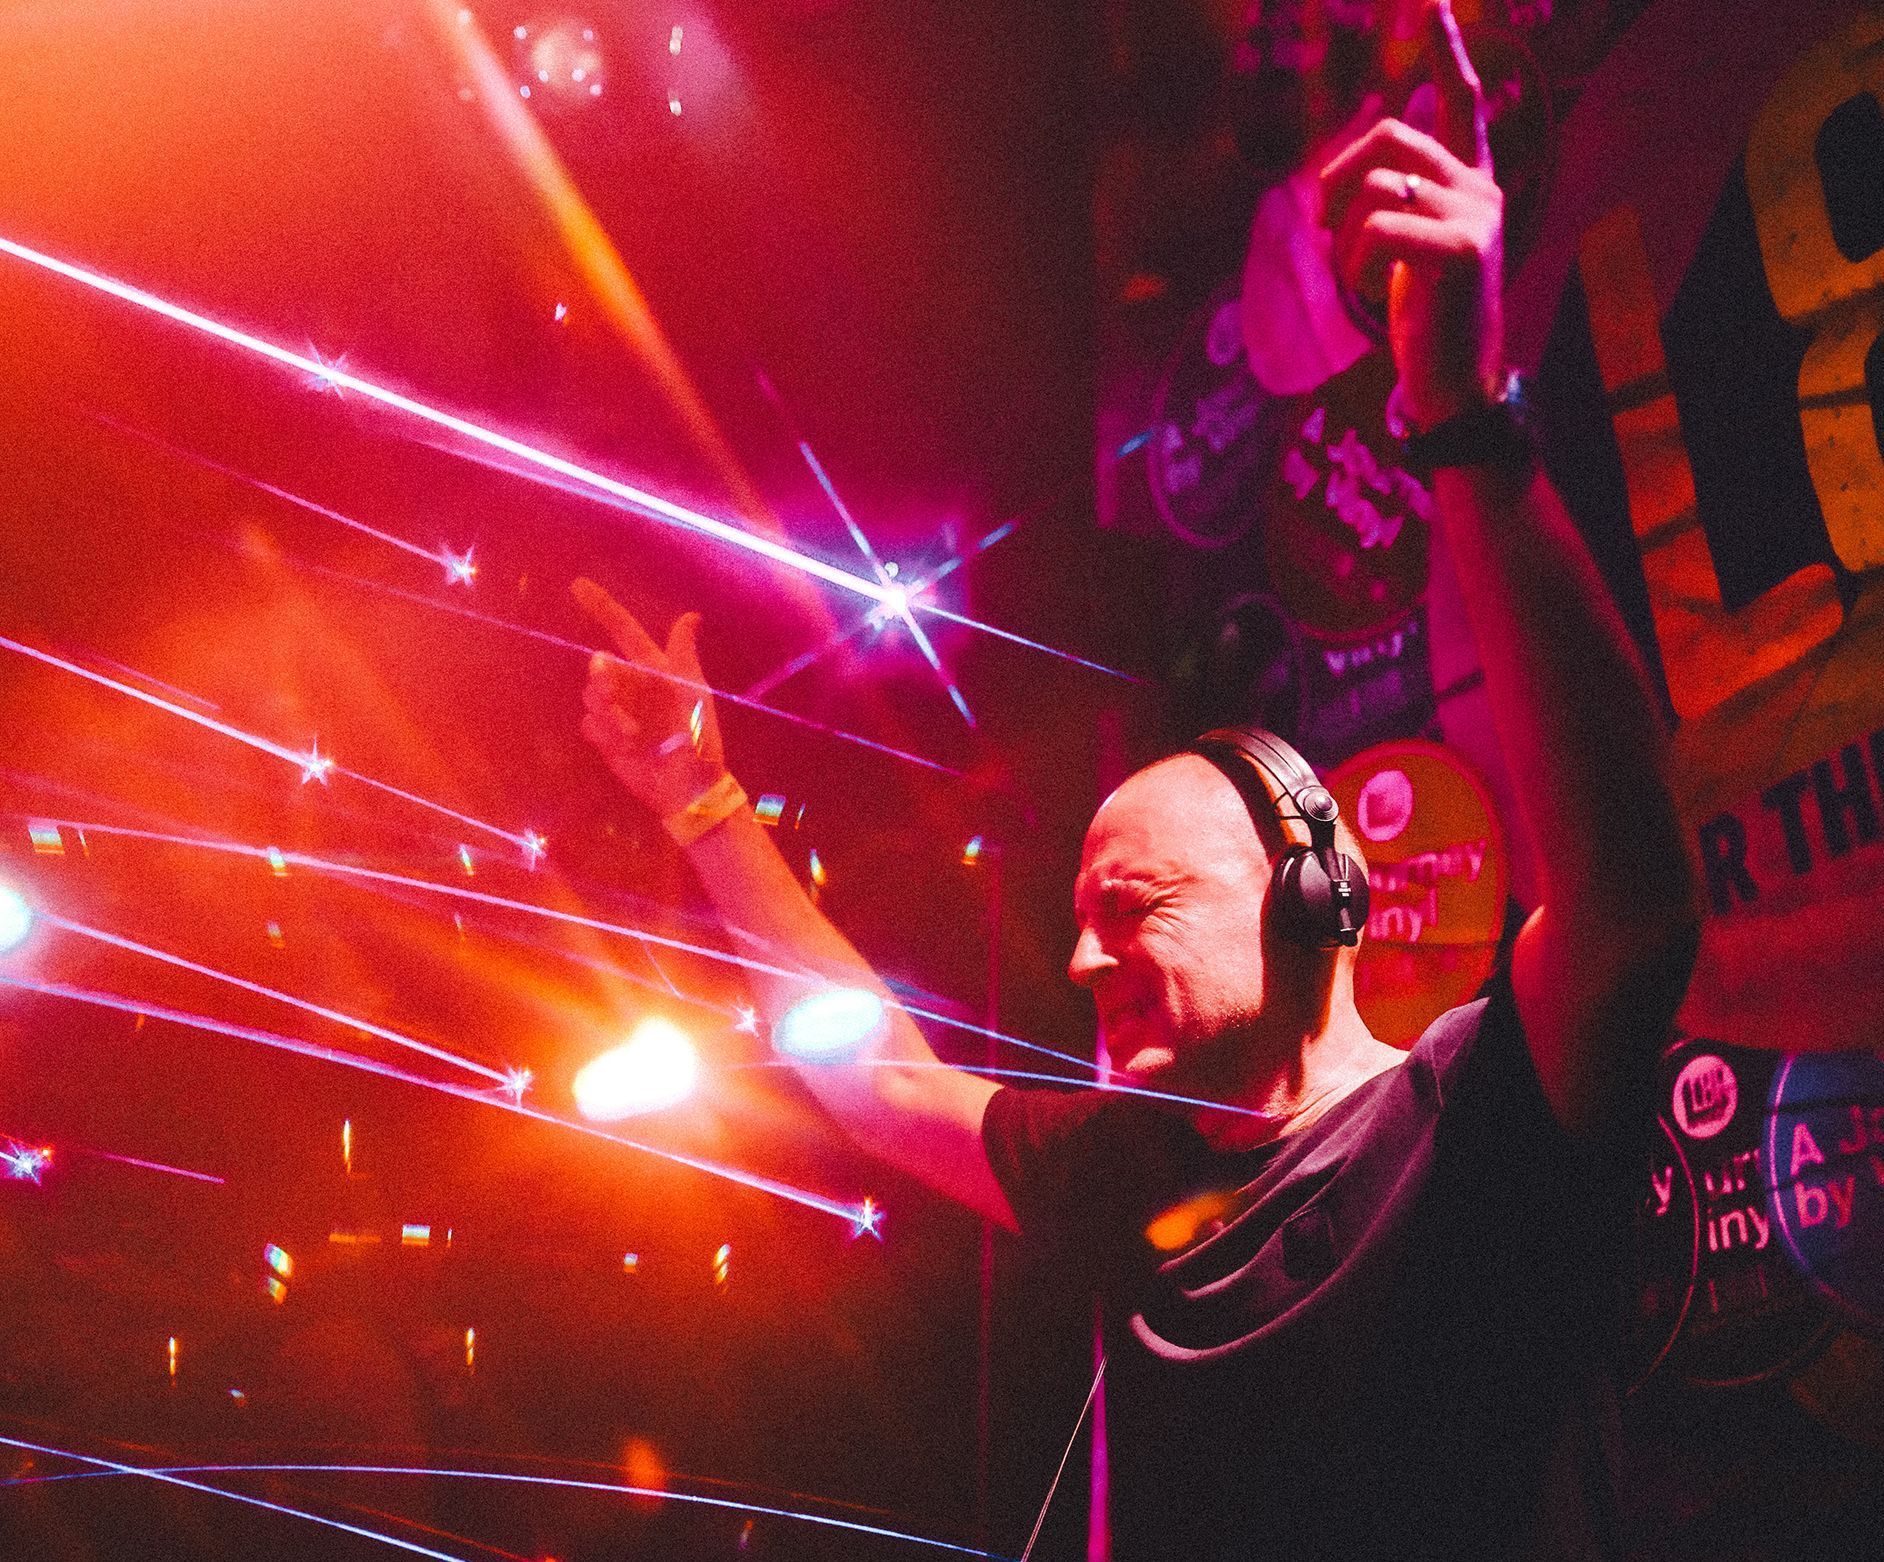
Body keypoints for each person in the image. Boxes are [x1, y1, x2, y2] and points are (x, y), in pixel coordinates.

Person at [571, 5, 1700, 1556]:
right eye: (1084, 917)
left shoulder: (1473, 1115)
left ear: (1313, 891)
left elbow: (1633, 906)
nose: (1083, 958)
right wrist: (701, 803)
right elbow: (875, 1076)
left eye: (1135, 905)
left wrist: (1462, 416)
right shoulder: (1131, 1173)